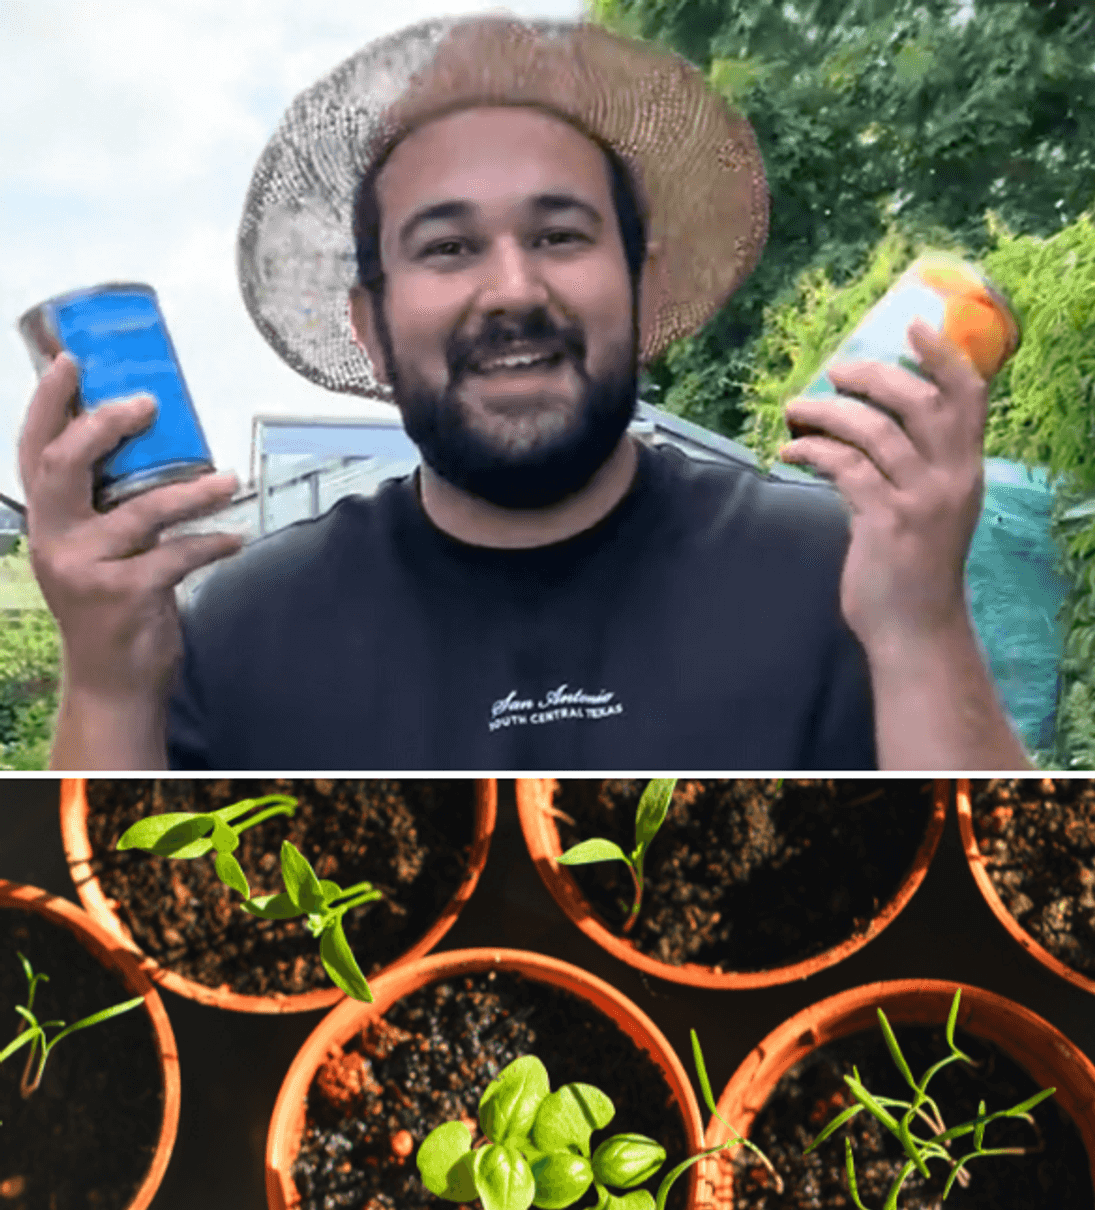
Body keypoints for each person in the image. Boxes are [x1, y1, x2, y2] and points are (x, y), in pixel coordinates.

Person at [18, 16, 1030, 771]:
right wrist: (109, 684)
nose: (512, 289)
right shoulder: (244, 633)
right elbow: (105, 991)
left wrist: (919, 625)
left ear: (640, 288)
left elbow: (1000, 949)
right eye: (448, 247)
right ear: (369, 327)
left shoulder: (836, 578)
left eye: (559, 235)